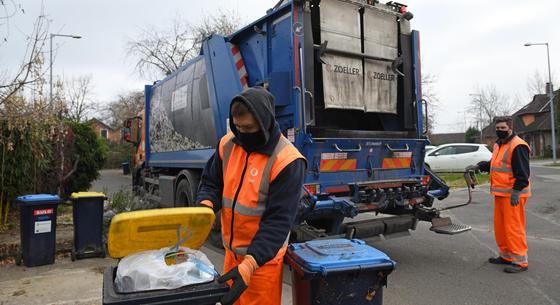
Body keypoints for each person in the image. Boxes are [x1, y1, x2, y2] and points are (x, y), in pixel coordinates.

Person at [196, 87, 306, 305]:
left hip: (261, 264)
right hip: (231, 255)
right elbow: (211, 182)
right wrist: (206, 208)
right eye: (237, 127)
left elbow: (278, 222)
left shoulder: (287, 161)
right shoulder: (227, 144)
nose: (242, 133)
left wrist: (249, 264)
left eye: (248, 128)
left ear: (264, 122)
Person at [466, 116, 531, 273]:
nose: (499, 130)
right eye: (498, 128)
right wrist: (480, 166)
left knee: (513, 227)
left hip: (513, 195)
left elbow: (523, 173)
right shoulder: (499, 144)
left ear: (510, 128)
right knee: (501, 227)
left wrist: (516, 191)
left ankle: (520, 261)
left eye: (503, 128)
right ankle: (506, 256)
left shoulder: (518, 146)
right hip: (501, 194)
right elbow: (494, 164)